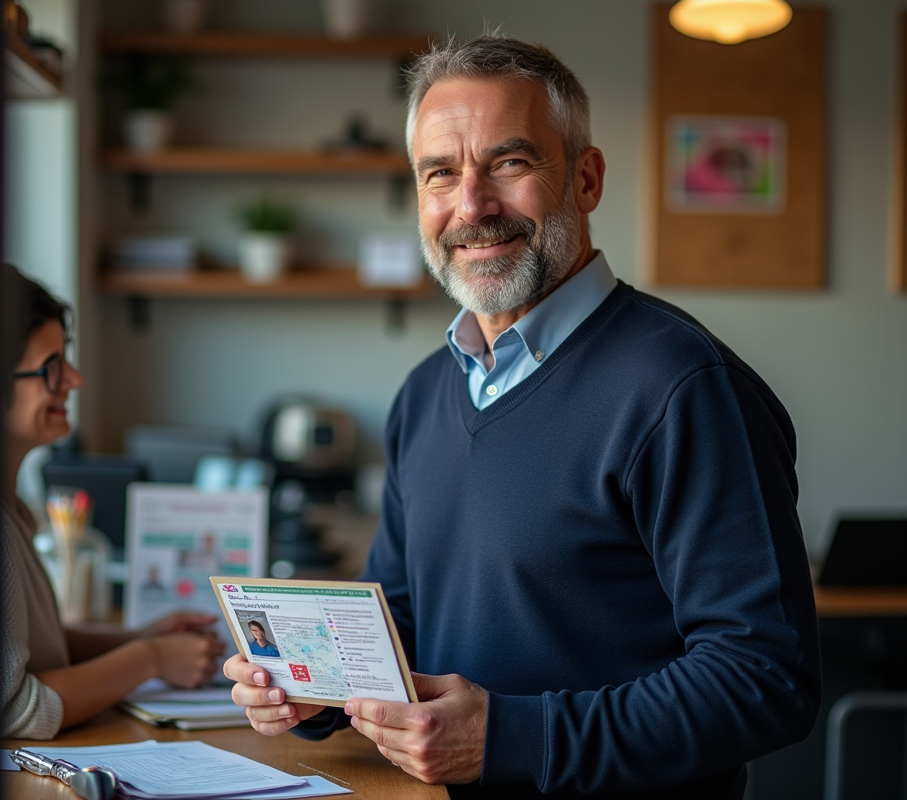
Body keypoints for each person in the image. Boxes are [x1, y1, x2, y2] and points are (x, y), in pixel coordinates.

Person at [223, 36, 821, 798]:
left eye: (510, 162)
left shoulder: (683, 387)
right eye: (441, 173)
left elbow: (765, 679)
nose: (471, 206)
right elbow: (397, 617)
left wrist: (511, 738)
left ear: (587, 177)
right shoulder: (425, 392)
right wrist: (318, 690)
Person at [0, 264, 224, 739]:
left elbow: (39, 649)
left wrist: (138, 638)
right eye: (52, 367)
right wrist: (151, 658)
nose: (74, 379)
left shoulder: (9, 509)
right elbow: (16, 707)